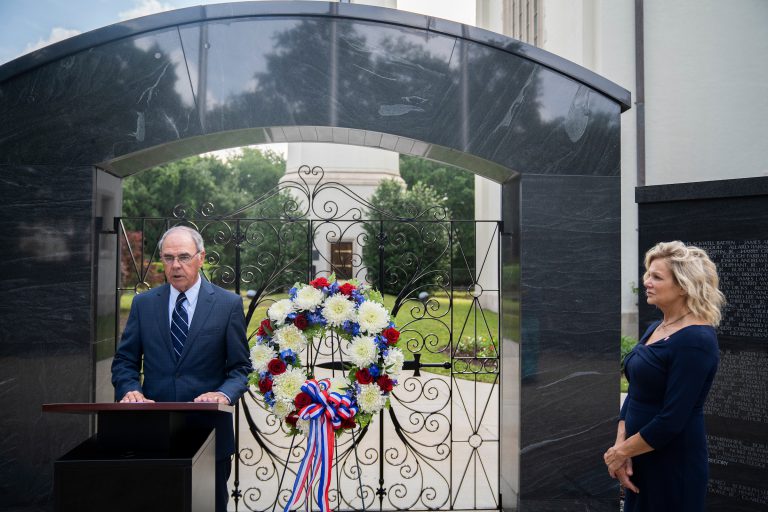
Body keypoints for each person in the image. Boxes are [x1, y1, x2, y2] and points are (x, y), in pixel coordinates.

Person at [112, 225, 252, 512]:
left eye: (184, 257)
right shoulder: (144, 304)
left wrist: (223, 395)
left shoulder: (228, 305)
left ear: (200, 258)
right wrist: (130, 390)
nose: (176, 265)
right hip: (153, 434)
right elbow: (124, 362)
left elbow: (240, 369)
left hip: (210, 435)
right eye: (168, 258)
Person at [604, 241, 725, 511]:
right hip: (640, 456)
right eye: (648, 273)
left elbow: (673, 419)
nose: (647, 281)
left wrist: (620, 453)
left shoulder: (696, 340)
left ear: (683, 286)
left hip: (672, 464)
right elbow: (636, 391)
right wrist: (622, 445)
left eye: (656, 276)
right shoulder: (657, 327)